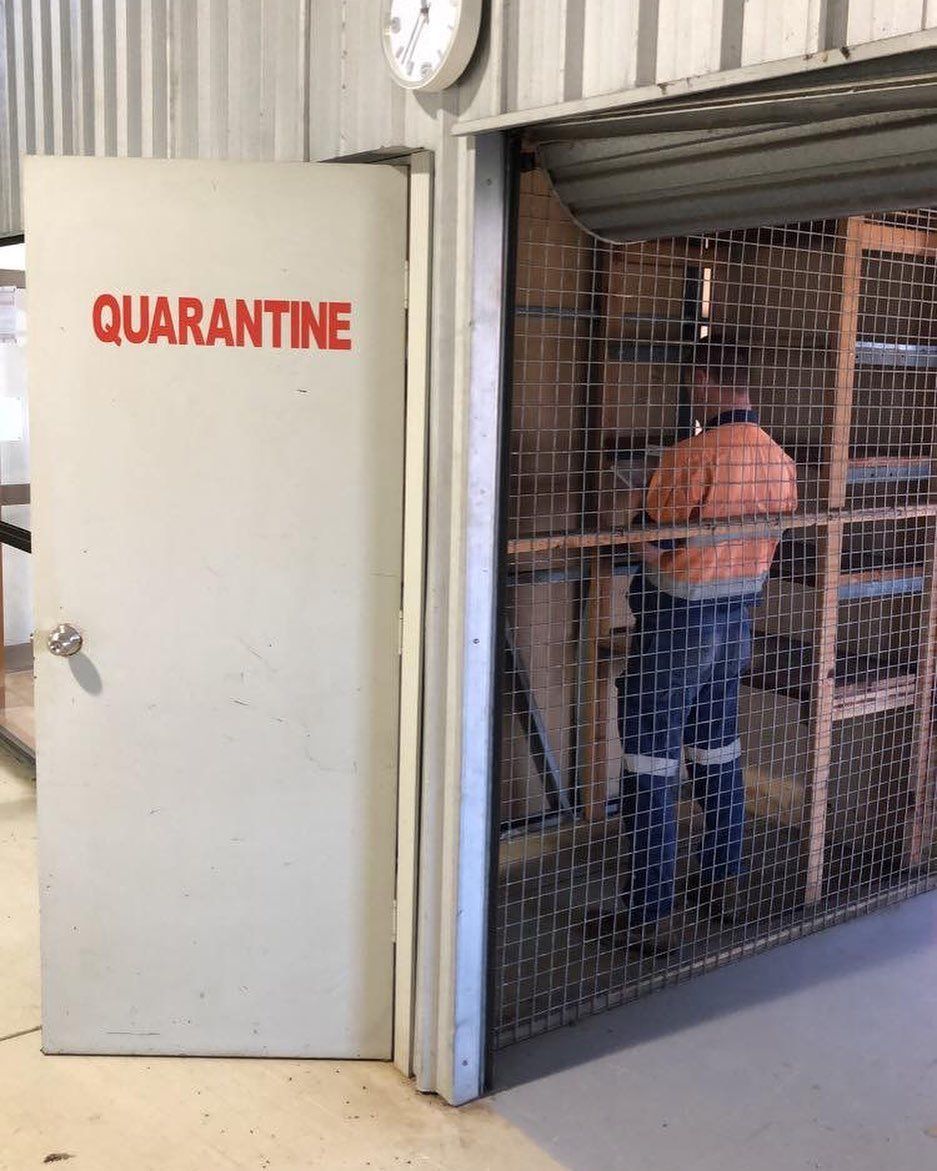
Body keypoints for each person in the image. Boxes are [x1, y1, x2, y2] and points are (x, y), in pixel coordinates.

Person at [593, 334, 798, 954]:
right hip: (737, 620)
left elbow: (659, 545)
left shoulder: (691, 456)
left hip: (677, 622)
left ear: (707, 379)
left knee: (650, 758)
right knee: (717, 749)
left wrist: (625, 519)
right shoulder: (778, 460)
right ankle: (722, 886)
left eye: (694, 380)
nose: (691, 391)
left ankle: (649, 915)